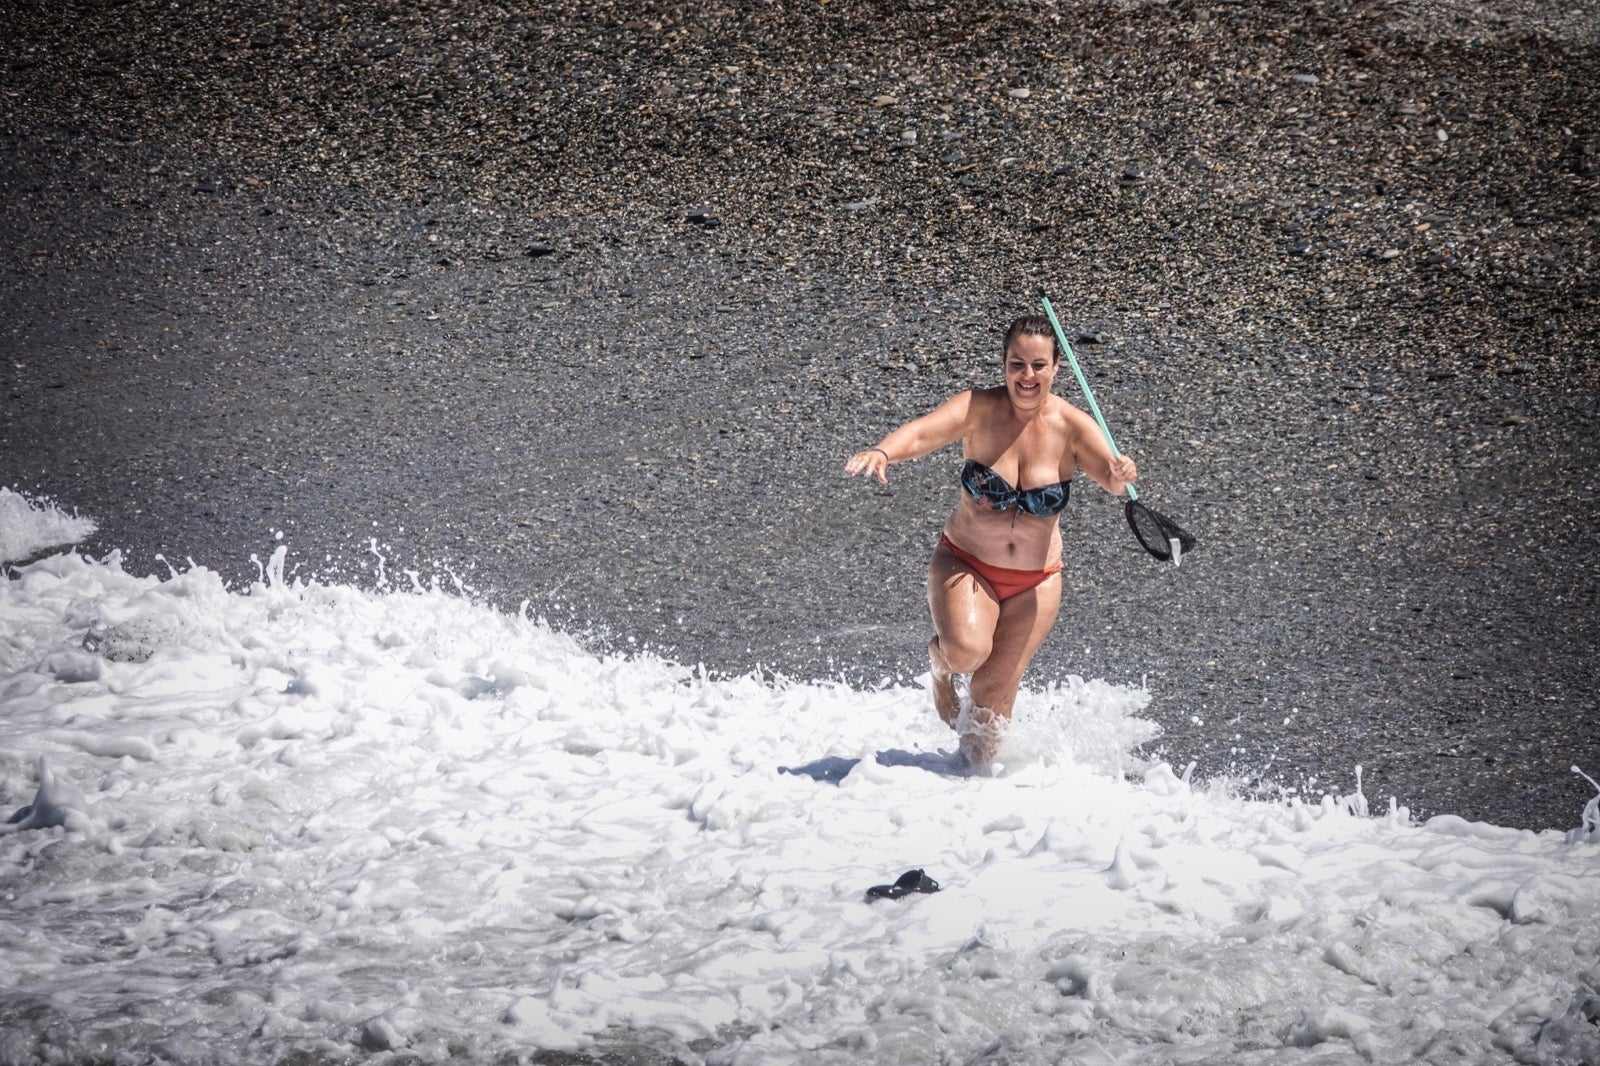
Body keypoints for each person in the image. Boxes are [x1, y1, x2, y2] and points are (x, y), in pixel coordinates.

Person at [844, 315, 1138, 767]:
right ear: (1003, 364)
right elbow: (923, 433)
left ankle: (971, 797)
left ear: (1056, 367)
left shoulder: (1073, 426)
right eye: (1016, 364)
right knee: (966, 653)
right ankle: (939, 666)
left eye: (1038, 365)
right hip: (966, 563)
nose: (1026, 376)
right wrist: (884, 450)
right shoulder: (978, 409)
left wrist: (1121, 476)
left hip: (1036, 584)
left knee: (988, 707)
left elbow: (1111, 478)